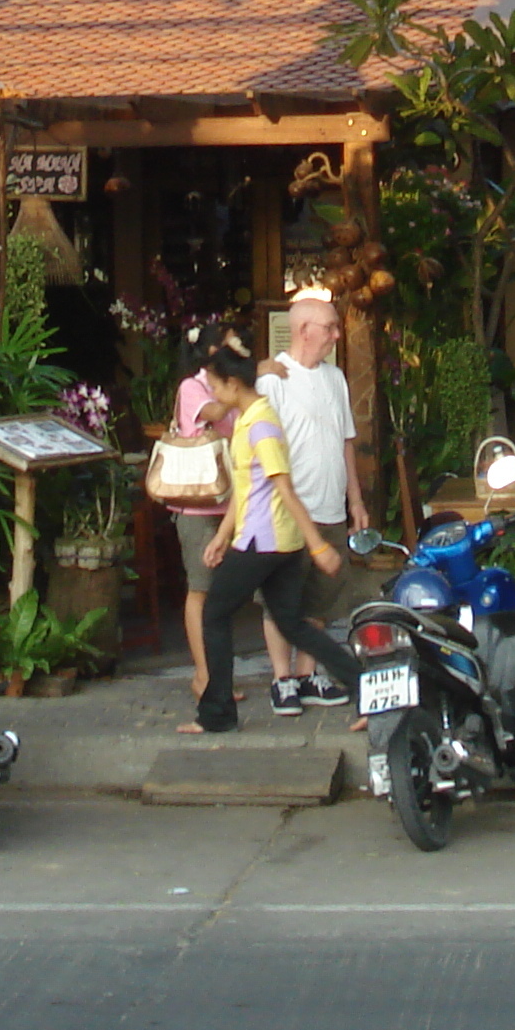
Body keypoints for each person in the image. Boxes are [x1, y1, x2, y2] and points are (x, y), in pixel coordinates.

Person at [180, 347, 358, 736]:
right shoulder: (248, 419)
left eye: (214, 385)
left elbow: (285, 490)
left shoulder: (261, 424)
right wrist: (223, 537)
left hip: (266, 543)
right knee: (293, 625)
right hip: (270, 541)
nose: (211, 393)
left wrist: (320, 545)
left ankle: (217, 714)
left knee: (214, 615)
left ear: (233, 383)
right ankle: (367, 689)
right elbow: (246, 490)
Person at [260, 290, 372, 711]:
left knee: (321, 598)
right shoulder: (272, 380)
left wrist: (355, 501)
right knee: (280, 599)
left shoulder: (335, 378)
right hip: (289, 511)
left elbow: (347, 443)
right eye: (330, 327)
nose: (336, 335)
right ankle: (281, 678)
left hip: (329, 508)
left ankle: (307, 674)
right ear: (304, 330)